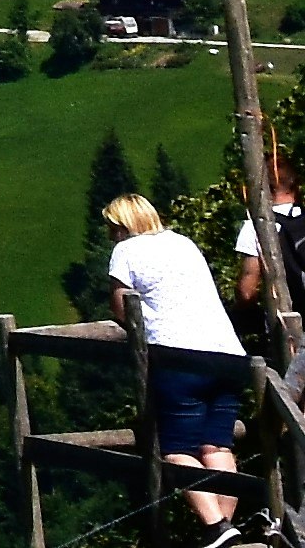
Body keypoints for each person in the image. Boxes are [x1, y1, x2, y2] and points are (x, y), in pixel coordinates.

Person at [111, 192, 246, 535]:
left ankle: (216, 528)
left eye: (112, 227)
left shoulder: (126, 251)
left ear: (123, 225)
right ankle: (228, 525)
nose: (110, 235)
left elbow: (122, 306)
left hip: (179, 357)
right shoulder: (183, 242)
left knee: (176, 449)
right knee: (217, 445)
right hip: (227, 353)